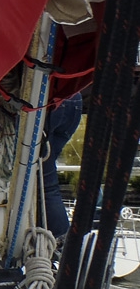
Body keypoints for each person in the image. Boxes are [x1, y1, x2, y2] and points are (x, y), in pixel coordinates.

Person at [42, 92, 83, 238]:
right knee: (45, 178)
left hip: (45, 104)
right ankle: (58, 242)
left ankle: (61, 241)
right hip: (74, 100)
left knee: (44, 183)